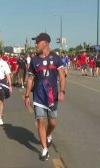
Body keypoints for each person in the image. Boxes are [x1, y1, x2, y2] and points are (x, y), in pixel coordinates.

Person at [24, 33, 66, 161]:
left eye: (37, 42)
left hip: (52, 96)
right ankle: (44, 149)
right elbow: (30, 78)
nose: (35, 44)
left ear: (45, 43)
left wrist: (62, 91)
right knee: (40, 121)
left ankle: (49, 134)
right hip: (38, 96)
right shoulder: (34, 60)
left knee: (52, 122)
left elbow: (62, 76)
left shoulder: (57, 58)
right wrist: (27, 96)